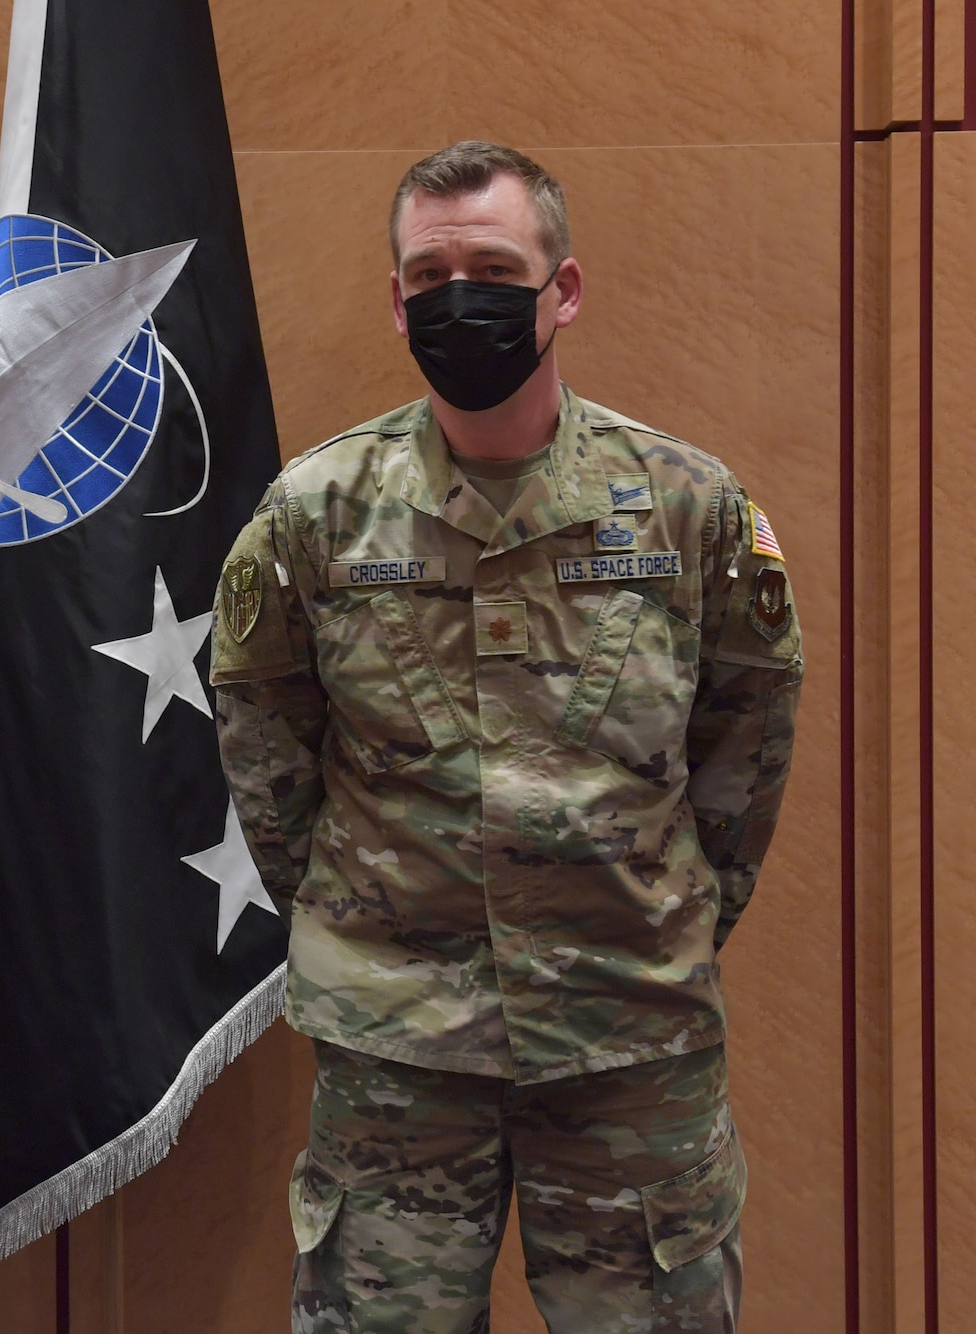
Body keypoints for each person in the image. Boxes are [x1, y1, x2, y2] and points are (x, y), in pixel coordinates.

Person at [209, 141, 803, 1333]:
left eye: (492, 265)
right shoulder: (314, 516)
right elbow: (266, 753)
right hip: (397, 1052)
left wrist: (648, 913)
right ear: (394, 300)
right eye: (429, 274)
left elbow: (746, 745)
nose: (458, 296)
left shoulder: (688, 507)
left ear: (562, 291)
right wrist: (371, 928)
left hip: (627, 1038)